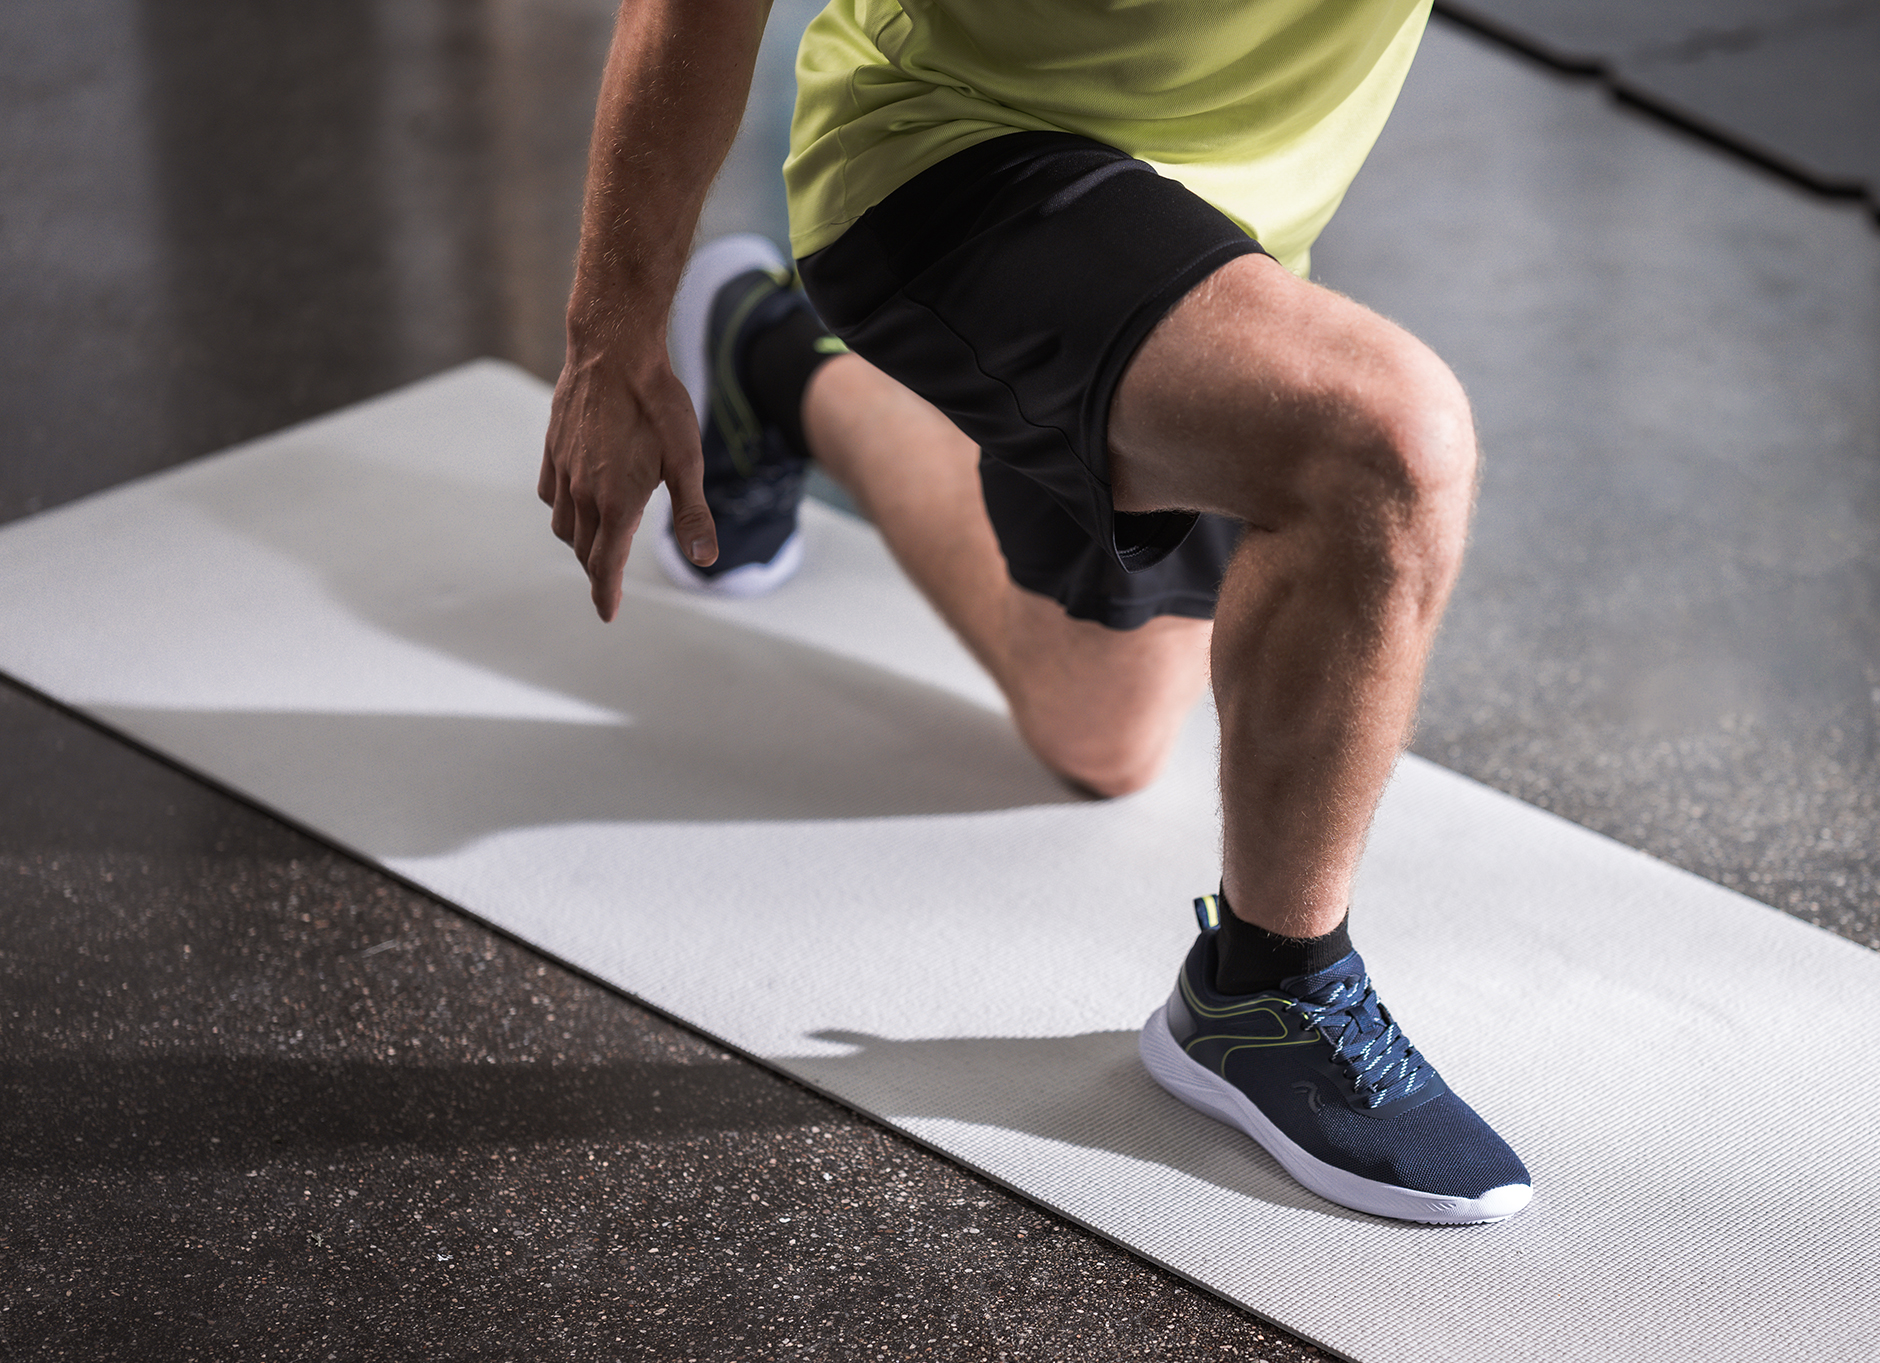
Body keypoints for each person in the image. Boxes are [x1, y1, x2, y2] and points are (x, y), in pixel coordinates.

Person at [537, 0, 1530, 1223]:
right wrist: (610, 338)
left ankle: (772, 363)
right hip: (953, 162)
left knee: (1097, 729)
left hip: (1222, 234)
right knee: (1384, 442)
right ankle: (1265, 988)